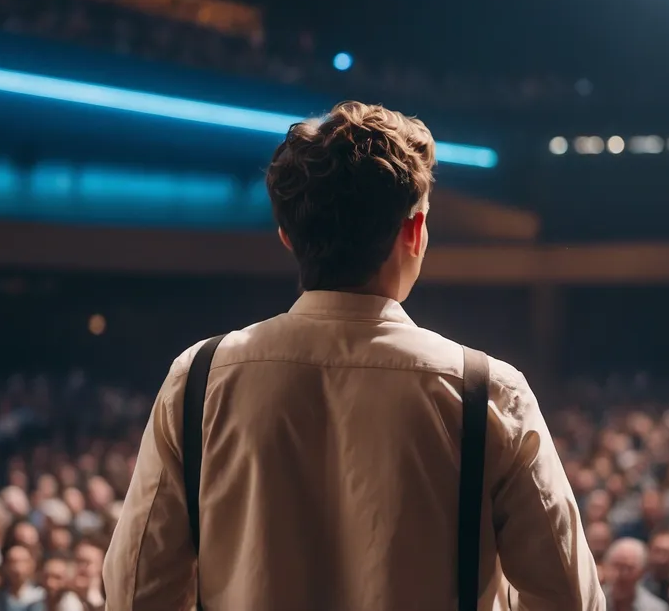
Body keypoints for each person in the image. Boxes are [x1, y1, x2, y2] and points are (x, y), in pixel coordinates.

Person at [104, 101, 603, 610]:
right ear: (414, 232)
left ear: (287, 237)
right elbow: (569, 600)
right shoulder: (487, 390)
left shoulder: (199, 379)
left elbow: (136, 591)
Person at [604, 538, 669, 611]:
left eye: (629, 568)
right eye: (616, 566)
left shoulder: (656, 608)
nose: (621, 574)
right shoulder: (592, 600)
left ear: (642, 572)